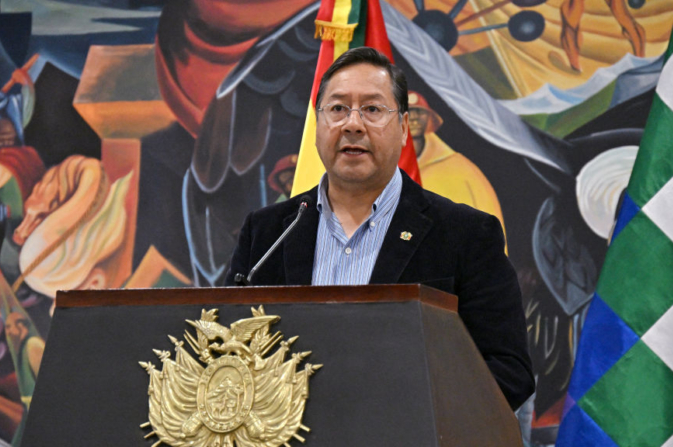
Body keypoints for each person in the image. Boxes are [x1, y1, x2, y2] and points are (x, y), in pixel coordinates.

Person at [225, 47, 534, 410]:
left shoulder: (465, 234)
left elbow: (507, 371)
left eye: (372, 109)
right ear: (318, 126)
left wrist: (401, 411)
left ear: (403, 128)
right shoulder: (267, 233)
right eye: (337, 109)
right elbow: (230, 354)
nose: (353, 124)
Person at [408, 90, 505, 233]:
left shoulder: (459, 169)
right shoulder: (383, 169)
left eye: (419, 112)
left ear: (429, 120)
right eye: (408, 113)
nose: (414, 118)